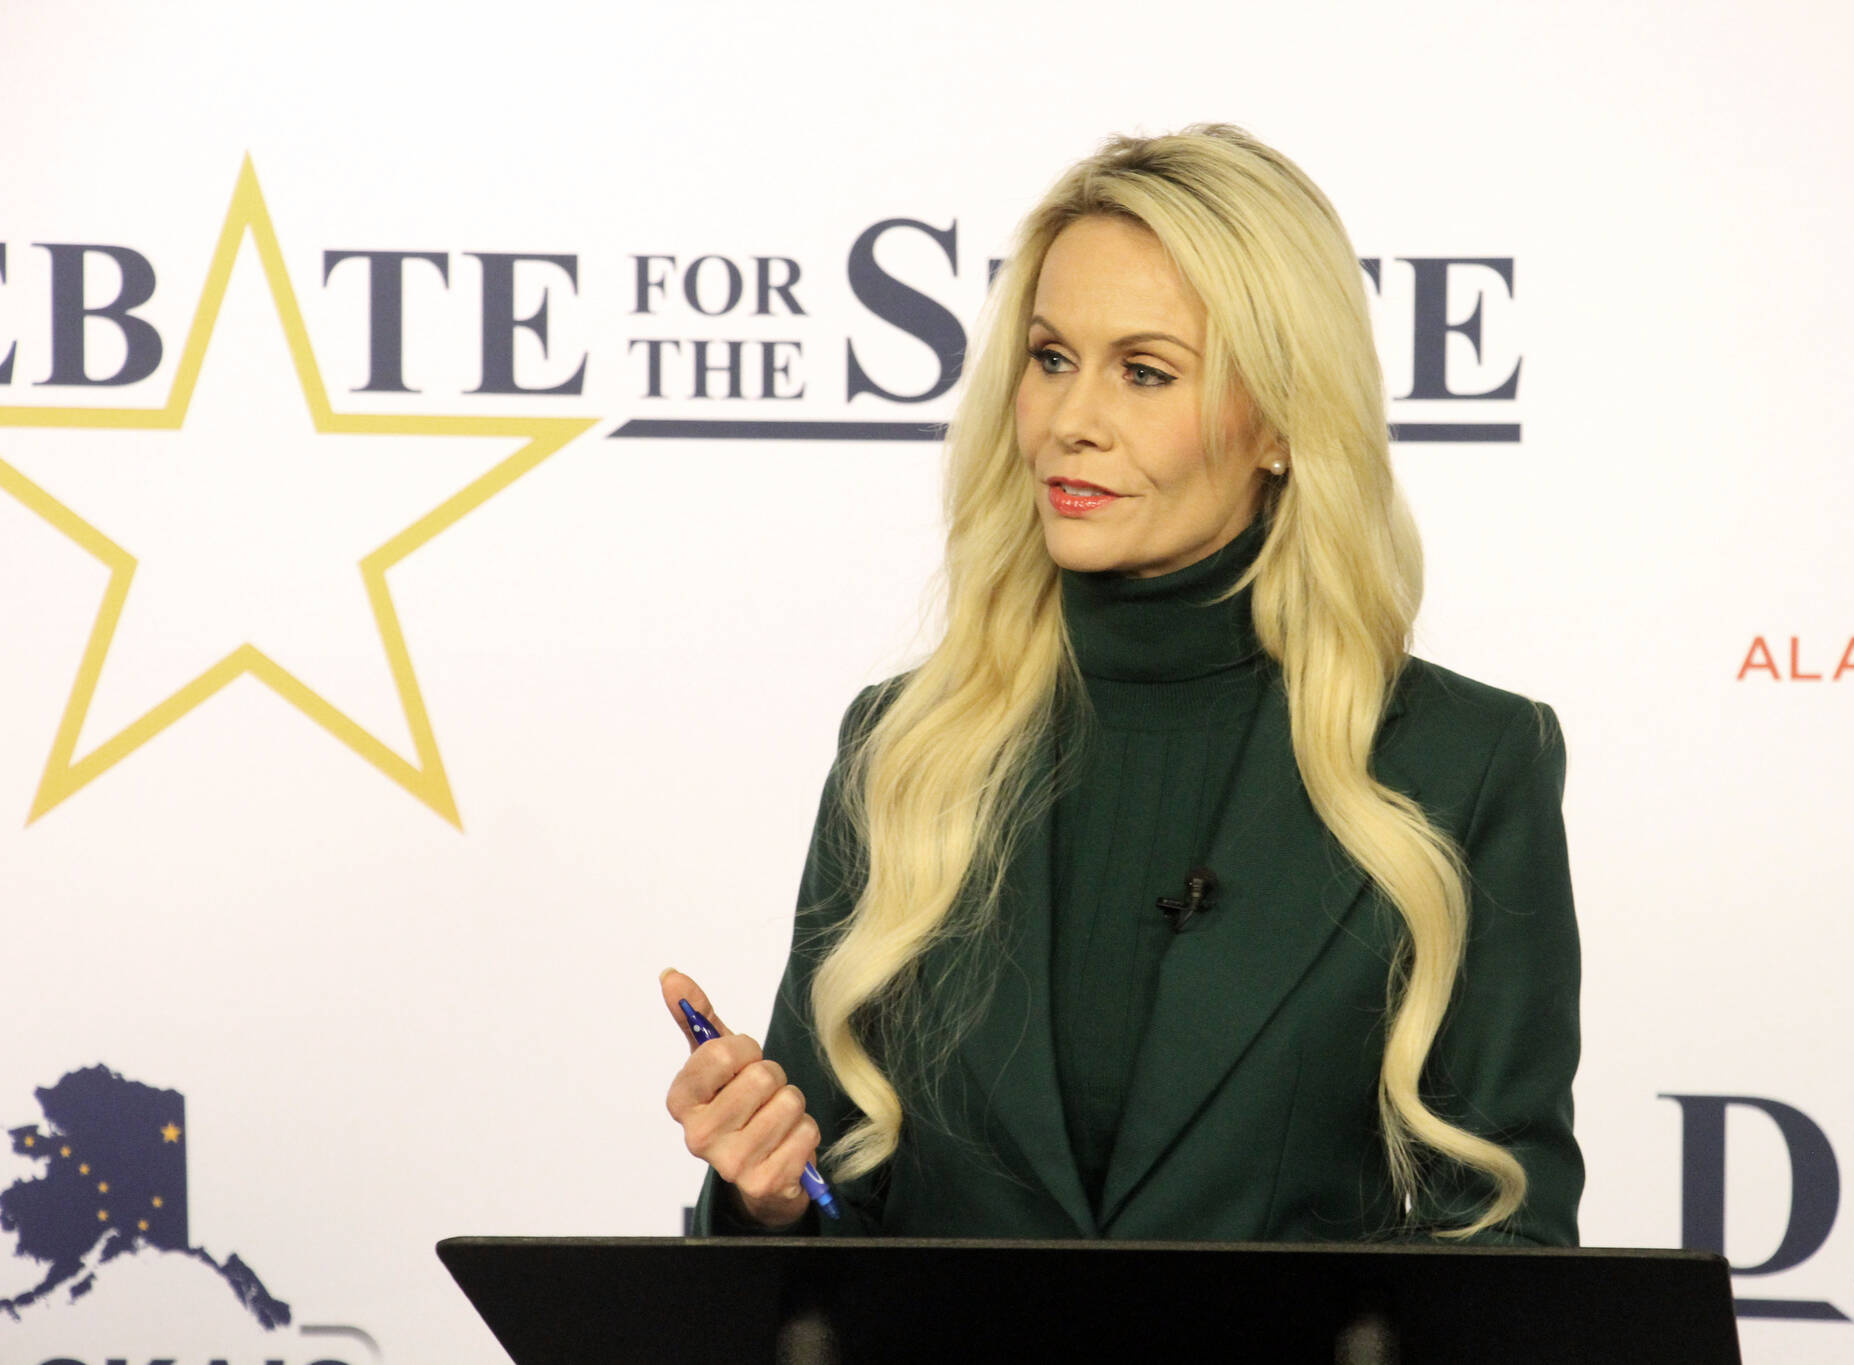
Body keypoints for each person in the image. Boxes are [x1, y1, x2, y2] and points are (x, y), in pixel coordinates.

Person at [661, 124, 1581, 1245]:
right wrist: (764, 1197)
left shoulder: (1461, 760)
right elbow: (835, 1225)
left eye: (1143, 372)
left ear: (1281, 424)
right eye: (1050, 358)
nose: (1069, 422)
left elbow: (1506, 1250)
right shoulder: (904, 745)